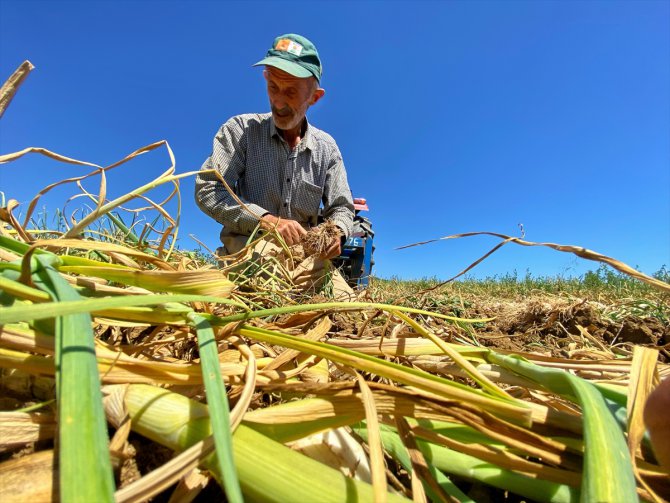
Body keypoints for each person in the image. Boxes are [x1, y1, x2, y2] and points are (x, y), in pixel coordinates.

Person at [195, 33, 355, 298]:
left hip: (306, 257)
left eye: (291, 92)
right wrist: (266, 220)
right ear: (266, 78)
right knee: (271, 296)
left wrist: (337, 233)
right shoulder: (241, 131)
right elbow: (209, 190)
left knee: (348, 308)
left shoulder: (327, 148)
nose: (279, 102)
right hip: (250, 248)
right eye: (273, 88)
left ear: (314, 97)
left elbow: (342, 208)